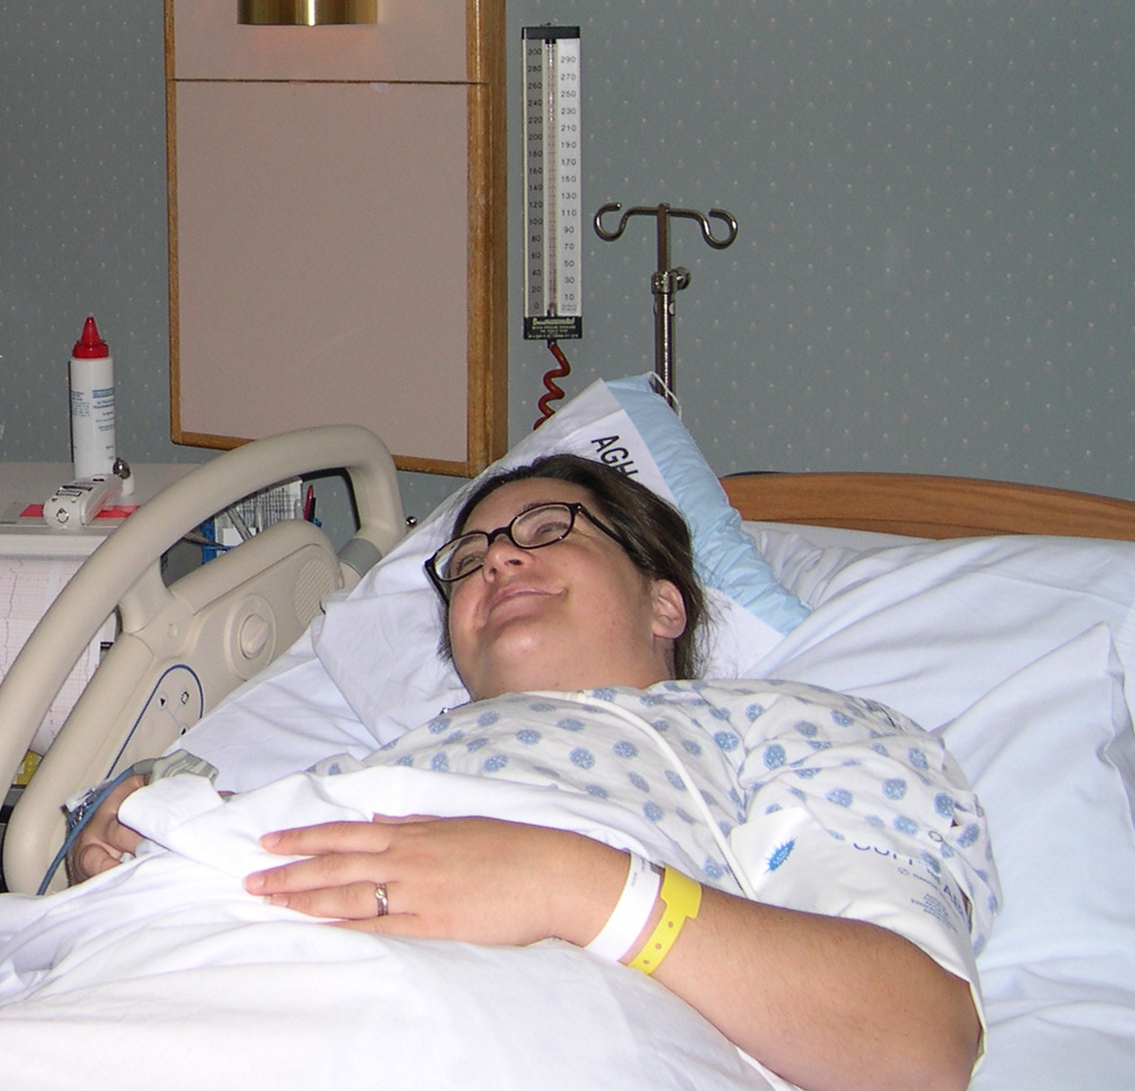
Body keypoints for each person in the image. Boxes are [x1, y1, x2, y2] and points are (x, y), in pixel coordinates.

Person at [62, 454, 987, 1091]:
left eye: (549, 530)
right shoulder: (383, 766)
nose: (498, 558)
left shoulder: (781, 730)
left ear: (665, 602)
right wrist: (144, 827)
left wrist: (570, 885)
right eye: (468, 560)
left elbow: (917, 1041)